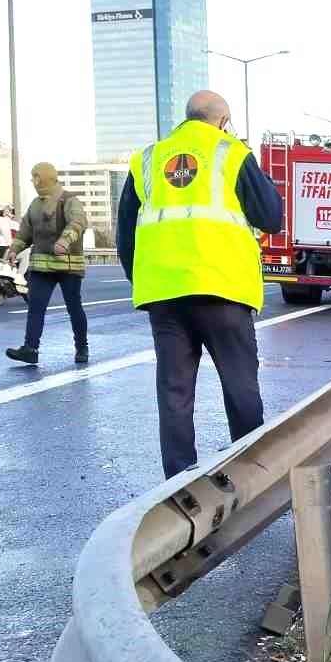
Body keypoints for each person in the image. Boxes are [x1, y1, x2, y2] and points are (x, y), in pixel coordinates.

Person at [116, 90, 286, 479]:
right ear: (223, 121)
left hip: (164, 293)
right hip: (222, 288)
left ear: (187, 117)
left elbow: (126, 232)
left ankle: (178, 484)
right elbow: (271, 217)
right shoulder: (231, 153)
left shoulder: (148, 158)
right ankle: (251, 474)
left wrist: (141, 278)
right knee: (239, 384)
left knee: (175, 392)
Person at [4, 163, 90, 365]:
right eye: (32, 177)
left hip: (68, 266)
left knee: (74, 307)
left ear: (47, 178)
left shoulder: (69, 200)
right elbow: (25, 231)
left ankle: (82, 347)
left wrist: (65, 241)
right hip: (41, 267)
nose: (33, 181)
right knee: (35, 306)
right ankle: (30, 349)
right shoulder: (35, 205)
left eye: (36, 176)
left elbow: (78, 222)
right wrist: (14, 249)